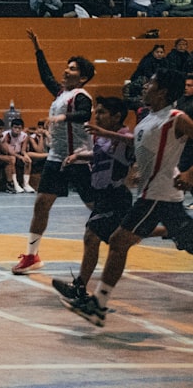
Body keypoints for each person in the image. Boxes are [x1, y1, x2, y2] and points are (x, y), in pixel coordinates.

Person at [63, 69, 193, 327]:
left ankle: (98, 305)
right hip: (157, 194)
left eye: (151, 83)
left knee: (118, 241)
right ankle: (98, 304)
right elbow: (139, 142)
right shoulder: (148, 118)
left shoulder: (176, 118)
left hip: (159, 194)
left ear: (163, 91)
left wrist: (190, 172)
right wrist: (107, 135)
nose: (145, 86)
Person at [12, 29, 95, 275]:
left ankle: (122, 237)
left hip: (79, 158)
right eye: (67, 67)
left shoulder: (81, 96)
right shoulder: (61, 93)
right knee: (41, 204)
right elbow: (45, 75)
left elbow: (84, 114)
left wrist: (62, 116)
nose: (66, 70)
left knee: (95, 205)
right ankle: (31, 255)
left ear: (82, 77)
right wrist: (38, 49)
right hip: (57, 158)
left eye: (72, 68)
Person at [50, 97, 135, 304]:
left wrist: (107, 133)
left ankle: (79, 287)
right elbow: (99, 156)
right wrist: (79, 157)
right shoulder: (101, 138)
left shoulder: (122, 134)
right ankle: (169, 230)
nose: (96, 116)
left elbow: (135, 141)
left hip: (115, 196)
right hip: (103, 196)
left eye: (102, 112)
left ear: (116, 117)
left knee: (91, 236)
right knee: (124, 235)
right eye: (96, 112)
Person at [125, 43, 167, 108]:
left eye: (161, 52)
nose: (159, 54)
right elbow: (147, 73)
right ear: (153, 53)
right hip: (142, 81)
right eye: (157, 52)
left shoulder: (165, 62)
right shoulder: (147, 61)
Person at [1, 118, 35, 193]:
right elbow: (9, 151)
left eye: (19, 128)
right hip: (8, 154)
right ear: (11, 127)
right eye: (15, 127)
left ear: (22, 129)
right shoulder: (5, 135)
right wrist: (20, 157)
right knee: (12, 159)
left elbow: (23, 150)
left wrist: (25, 156)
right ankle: (15, 184)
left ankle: (26, 184)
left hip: (19, 153)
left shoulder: (24, 136)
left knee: (28, 160)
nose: (17, 130)